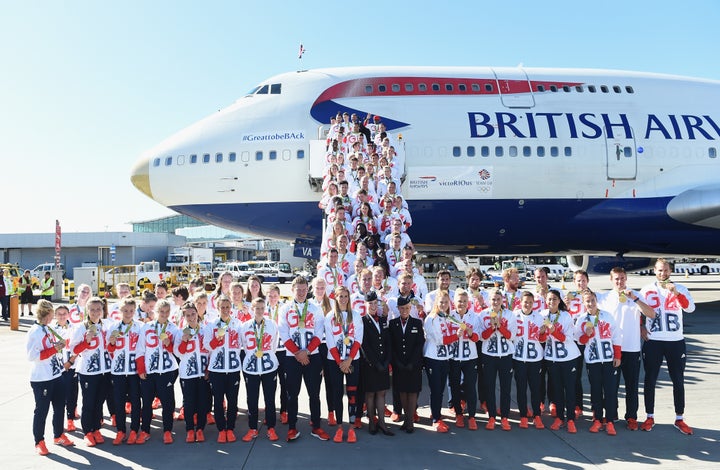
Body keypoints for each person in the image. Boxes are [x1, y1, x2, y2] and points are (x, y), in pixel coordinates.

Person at [640, 258, 696, 435]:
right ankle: (649, 416)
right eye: (659, 270)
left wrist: (677, 293)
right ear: (654, 271)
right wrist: (641, 326)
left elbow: (690, 309)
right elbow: (638, 310)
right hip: (653, 341)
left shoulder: (681, 288)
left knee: (678, 380)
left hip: (675, 341)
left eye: (665, 270)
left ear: (670, 271)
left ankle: (679, 418)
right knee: (650, 379)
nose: (662, 273)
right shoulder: (647, 289)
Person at [596, 267, 655, 430]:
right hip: (613, 348)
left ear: (626, 278)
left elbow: (651, 314)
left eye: (622, 278)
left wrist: (635, 300)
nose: (619, 281)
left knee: (632, 385)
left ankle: (631, 417)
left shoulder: (635, 295)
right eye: (616, 279)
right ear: (611, 280)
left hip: (632, 347)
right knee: (610, 385)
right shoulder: (604, 297)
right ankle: (611, 414)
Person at [278, 276, 330, 442]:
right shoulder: (285, 308)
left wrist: (306, 352)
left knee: (314, 394)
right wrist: (298, 354)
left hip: (312, 357)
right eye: (298, 289)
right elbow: (284, 335)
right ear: (292, 290)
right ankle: (292, 427)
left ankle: (316, 426)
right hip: (292, 358)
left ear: (308, 290)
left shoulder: (315, 308)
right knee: (292, 394)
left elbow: (319, 333)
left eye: (303, 289)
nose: (301, 292)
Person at [27, 299, 74, 455]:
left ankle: (58, 435)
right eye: (52, 314)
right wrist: (55, 349)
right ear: (45, 314)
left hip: (56, 374)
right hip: (42, 378)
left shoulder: (47, 328)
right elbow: (32, 356)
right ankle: (39, 441)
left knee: (60, 406)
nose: (53, 317)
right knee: (42, 411)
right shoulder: (35, 331)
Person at [576, 289, 622, 436]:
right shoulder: (582, 319)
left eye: (593, 300)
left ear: (597, 301)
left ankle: (609, 421)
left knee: (609, 390)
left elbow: (616, 336)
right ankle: (597, 419)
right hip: (593, 360)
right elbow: (579, 340)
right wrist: (586, 336)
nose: (590, 303)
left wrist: (617, 355)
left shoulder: (607, 316)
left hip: (608, 359)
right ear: (584, 303)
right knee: (595, 390)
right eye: (587, 301)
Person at [69, 296, 112, 447]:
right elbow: (73, 350)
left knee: (99, 402)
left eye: (98, 309)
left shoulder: (107, 325)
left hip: (105, 370)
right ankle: (87, 432)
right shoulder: (81, 327)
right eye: (92, 309)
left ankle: (96, 429)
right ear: (87, 310)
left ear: (102, 310)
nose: (95, 312)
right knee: (89, 403)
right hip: (88, 371)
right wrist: (86, 341)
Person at [324, 286, 364, 443]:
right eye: (340, 296)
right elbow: (330, 342)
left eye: (345, 296)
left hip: (353, 359)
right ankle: (340, 427)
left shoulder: (356, 315)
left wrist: (349, 360)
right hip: (335, 361)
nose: (343, 299)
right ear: (335, 298)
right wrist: (341, 362)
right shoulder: (330, 317)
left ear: (349, 297)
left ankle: (352, 428)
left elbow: (358, 339)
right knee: (337, 394)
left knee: (353, 395)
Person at [137, 298, 180, 444]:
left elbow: (178, 351)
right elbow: (140, 349)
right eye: (161, 311)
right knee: (147, 402)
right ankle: (145, 431)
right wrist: (141, 369)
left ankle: (167, 431)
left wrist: (169, 344)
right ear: (155, 312)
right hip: (150, 371)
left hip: (167, 371)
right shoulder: (147, 327)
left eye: (167, 311)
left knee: (168, 403)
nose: (164, 314)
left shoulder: (173, 328)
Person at [203, 295, 243, 443]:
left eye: (227, 307)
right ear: (217, 308)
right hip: (217, 370)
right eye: (222, 307)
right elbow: (207, 346)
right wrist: (216, 340)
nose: (225, 310)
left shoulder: (237, 324)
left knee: (232, 401)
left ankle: (230, 428)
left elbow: (241, 344)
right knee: (218, 401)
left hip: (233, 368)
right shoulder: (211, 325)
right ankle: (221, 429)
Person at [240, 297, 280, 442]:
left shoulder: (272, 324)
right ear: (252, 309)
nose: (260, 311)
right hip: (251, 368)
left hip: (269, 367)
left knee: (270, 399)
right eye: (257, 308)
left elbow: (274, 345)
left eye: (262, 308)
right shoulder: (244, 326)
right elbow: (243, 346)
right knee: (252, 399)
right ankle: (252, 428)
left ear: (266, 309)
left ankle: (271, 428)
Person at [541, 290, 581, 433]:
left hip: (568, 358)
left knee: (569, 389)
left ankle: (570, 419)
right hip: (552, 358)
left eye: (555, 299)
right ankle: (559, 417)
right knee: (556, 389)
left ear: (559, 301)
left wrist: (554, 331)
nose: (552, 302)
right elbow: (540, 339)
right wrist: (542, 332)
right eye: (549, 299)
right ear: (546, 300)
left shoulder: (565, 316)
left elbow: (568, 338)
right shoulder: (542, 315)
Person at [106, 297, 144, 445]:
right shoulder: (114, 327)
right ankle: (121, 431)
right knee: (119, 402)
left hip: (134, 371)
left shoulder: (140, 326)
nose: (128, 313)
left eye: (131, 311)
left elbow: (143, 348)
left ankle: (134, 430)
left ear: (135, 311)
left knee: (135, 401)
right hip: (118, 371)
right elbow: (109, 349)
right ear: (120, 311)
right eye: (125, 310)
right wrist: (112, 342)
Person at [480, 288, 517, 431]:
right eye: (493, 299)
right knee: (489, 387)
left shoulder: (509, 314)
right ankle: (491, 416)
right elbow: (482, 336)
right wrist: (491, 327)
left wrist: (500, 327)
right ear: (489, 300)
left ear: (503, 300)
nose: (496, 302)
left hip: (506, 355)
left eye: (498, 299)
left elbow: (511, 336)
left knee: (505, 387)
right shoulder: (483, 314)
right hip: (489, 356)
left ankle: (505, 417)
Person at [174, 301, 209, 443]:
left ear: (197, 314)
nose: (191, 317)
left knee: (203, 402)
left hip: (203, 372)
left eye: (193, 314)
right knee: (189, 402)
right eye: (187, 315)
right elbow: (178, 352)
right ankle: (189, 429)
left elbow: (211, 351)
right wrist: (184, 341)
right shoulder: (180, 332)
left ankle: (200, 429)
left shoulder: (205, 330)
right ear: (184, 316)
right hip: (187, 374)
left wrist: (208, 370)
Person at [388, 296, 424, 433]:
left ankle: (409, 422)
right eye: (402, 308)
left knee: (413, 391)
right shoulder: (393, 324)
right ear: (398, 308)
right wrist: (396, 361)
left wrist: (412, 362)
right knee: (402, 390)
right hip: (399, 364)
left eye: (407, 308)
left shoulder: (417, 323)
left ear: (411, 308)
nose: (404, 310)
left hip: (413, 364)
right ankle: (407, 419)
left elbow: (419, 344)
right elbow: (391, 345)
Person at [360, 291, 393, 436]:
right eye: (370, 304)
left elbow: (387, 342)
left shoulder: (383, 320)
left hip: (383, 363)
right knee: (370, 394)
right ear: (365, 305)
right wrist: (375, 363)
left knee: (381, 393)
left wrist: (386, 361)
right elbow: (364, 345)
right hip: (370, 364)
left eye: (375, 303)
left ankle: (382, 423)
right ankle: (372, 423)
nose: (373, 306)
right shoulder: (362, 321)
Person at [423, 290, 457, 432]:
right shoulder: (431, 319)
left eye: (445, 302)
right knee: (436, 389)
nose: (443, 305)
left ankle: (435, 412)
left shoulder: (447, 317)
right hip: (433, 358)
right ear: (436, 302)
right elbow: (439, 340)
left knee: (441, 389)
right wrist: (457, 336)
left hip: (445, 357)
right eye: (441, 302)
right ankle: (436, 419)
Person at [512, 291, 545, 429]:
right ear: (520, 302)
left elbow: (543, 339)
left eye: (531, 302)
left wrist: (543, 333)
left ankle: (537, 415)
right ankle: (523, 416)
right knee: (521, 388)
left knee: (535, 388)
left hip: (535, 358)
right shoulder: (514, 316)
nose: (528, 304)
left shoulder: (539, 317)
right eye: (525, 302)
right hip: (519, 358)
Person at [448, 289, 480, 430]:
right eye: (459, 301)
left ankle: (472, 416)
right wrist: (455, 335)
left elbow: (478, 338)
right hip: (454, 357)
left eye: (464, 301)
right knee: (454, 386)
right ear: (454, 302)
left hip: (470, 357)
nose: (462, 304)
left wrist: (471, 333)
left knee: (470, 387)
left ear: (469, 303)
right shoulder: (450, 316)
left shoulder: (474, 316)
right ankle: (459, 414)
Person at [53, 305, 79, 432]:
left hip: (71, 366)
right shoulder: (51, 330)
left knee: (71, 394)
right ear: (55, 315)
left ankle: (70, 419)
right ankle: (60, 420)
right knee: (59, 397)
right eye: (59, 313)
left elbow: (78, 348)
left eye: (64, 313)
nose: (62, 316)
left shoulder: (74, 328)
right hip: (57, 369)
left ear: (69, 315)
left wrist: (70, 362)